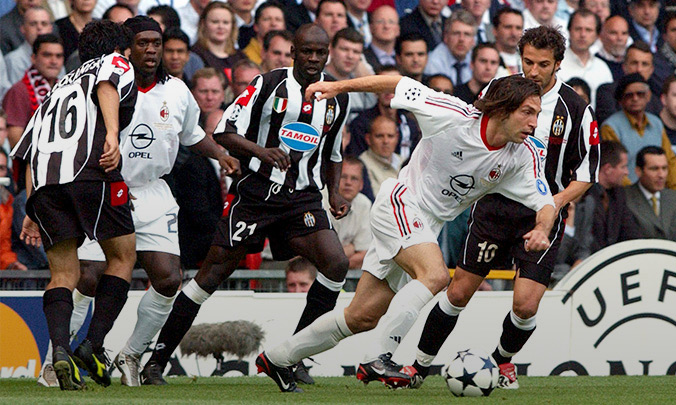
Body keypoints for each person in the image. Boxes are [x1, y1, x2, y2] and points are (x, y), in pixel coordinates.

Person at [257, 72, 557, 393]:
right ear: (502, 109)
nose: (534, 122)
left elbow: (546, 203)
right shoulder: (452, 115)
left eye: (537, 114)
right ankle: (380, 357)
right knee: (436, 275)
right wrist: (337, 87)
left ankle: (276, 358)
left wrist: (541, 228)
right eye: (528, 112)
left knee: (361, 317)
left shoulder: (524, 155)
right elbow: (398, 82)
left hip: (424, 228)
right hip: (400, 202)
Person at [137, 24, 351, 387]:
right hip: (256, 197)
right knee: (208, 278)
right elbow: (223, 131)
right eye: (306, 51)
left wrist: (335, 193)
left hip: (302, 199)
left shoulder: (338, 96)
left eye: (320, 52)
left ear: (327, 53)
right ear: (293, 53)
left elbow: (332, 152)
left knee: (337, 264)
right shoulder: (268, 85)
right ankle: (155, 361)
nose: (313, 59)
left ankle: (291, 357)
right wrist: (260, 152)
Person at [406, 25, 599, 390]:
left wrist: (551, 205)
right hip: (494, 208)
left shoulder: (576, 109)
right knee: (459, 290)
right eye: (528, 61)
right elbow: (470, 131)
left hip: (542, 217)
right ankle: (418, 365)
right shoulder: (500, 90)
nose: (534, 71)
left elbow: (586, 175)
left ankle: (501, 361)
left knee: (526, 306)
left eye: (544, 64)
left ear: (559, 64)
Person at [10, 19, 138, 391]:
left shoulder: (57, 87)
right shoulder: (113, 62)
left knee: (63, 274)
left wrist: (32, 208)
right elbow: (107, 83)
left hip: (46, 185)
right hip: (91, 171)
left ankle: (60, 352)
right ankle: (92, 344)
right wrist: (112, 134)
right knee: (123, 256)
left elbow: (29, 148)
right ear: (121, 49)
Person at [601, 73, 676, 188]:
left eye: (640, 94)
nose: (635, 98)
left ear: (648, 96)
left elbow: (670, 161)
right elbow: (615, 167)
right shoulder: (611, 127)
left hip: (658, 193)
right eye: (629, 95)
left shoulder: (656, 123)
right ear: (621, 100)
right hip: (625, 194)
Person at [572, 141, 640, 266]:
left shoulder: (618, 194)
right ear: (608, 169)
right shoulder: (583, 195)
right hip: (584, 265)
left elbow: (629, 231)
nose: (627, 172)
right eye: (623, 167)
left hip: (613, 265)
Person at [322, 155, 372, 269]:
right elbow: (314, 253)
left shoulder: (364, 204)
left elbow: (364, 254)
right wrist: (351, 248)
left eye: (354, 178)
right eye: (343, 177)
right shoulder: (319, 198)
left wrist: (331, 262)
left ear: (361, 185)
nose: (348, 183)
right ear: (333, 178)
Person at [557, 9, 613, 107]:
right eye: (578, 29)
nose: (583, 35)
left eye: (588, 30)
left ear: (597, 35)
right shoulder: (556, 63)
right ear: (569, 30)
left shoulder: (603, 68)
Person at [625, 146, 676, 239]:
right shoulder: (624, 198)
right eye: (654, 169)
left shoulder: (673, 198)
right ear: (638, 171)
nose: (661, 175)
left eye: (664, 168)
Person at [191, 2, 247, 84]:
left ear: (233, 26)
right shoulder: (194, 55)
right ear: (203, 24)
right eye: (215, 22)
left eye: (225, 22)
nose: (221, 27)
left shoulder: (241, 57)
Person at [4, 6, 54, 85]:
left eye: (44, 24)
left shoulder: (57, 57)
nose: (39, 28)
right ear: (23, 29)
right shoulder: (13, 61)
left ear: (51, 29)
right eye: (33, 24)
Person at [424, 9, 476, 86]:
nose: (461, 39)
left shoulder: (476, 59)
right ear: (445, 37)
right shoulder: (433, 62)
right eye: (456, 33)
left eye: (467, 34)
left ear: (473, 41)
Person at [359, 115, 401, 194]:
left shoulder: (405, 162)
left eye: (390, 136)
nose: (385, 141)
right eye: (379, 136)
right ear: (368, 139)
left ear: (397, 138)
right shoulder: (361, 165)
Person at [363, 5, 399, 72]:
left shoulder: (404, 58)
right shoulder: (362, 58)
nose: (386, 26)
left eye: (391, 22)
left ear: (398, 29)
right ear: (370, 28)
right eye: (380, 22)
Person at [492, 7, 524, 75]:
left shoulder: (527, 58)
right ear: (495, 30)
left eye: (518, 28)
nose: (514, 33)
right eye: (508, 27)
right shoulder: (485, 57)